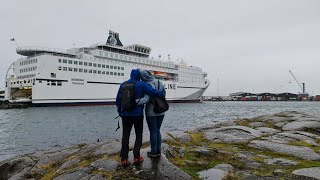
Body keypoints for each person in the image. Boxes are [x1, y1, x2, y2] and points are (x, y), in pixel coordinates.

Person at [116, 69, 164, 166]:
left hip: (125, 115)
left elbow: (118, 100)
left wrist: (120, 111)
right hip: (138, 115)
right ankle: (137, 157)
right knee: (138, 135)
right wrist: (161, 94)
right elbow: (152, 92)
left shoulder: (123, 84)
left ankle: (124, 158)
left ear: (130, 75)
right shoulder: (141, 84)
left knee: (125, 136)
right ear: (139, 76)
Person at [137, 70, 166, 157]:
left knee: (153, 131)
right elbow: (164, 94)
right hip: (161, 110)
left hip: (151, 112)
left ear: (143, 77)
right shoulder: (159, 82)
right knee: (157, 130)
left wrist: (135, 101)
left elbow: (145, 99)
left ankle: (153, 152)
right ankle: (158, 150)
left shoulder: (147, 85)